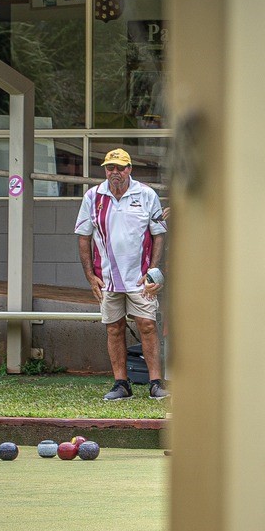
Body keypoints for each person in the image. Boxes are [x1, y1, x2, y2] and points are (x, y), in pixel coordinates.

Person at [74, 148, 167, 401]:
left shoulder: (147, 194)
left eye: (120, 167)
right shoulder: (93, 196)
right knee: (114, 329)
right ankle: (121, 384)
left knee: (147, 325)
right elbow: (83, 238)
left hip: (139, 279)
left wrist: (153, 272)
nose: (114, 172)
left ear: (129, 169)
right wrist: (90, 276)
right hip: (107, 279)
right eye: (109, 167)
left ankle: (156, 383)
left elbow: (158, 234)